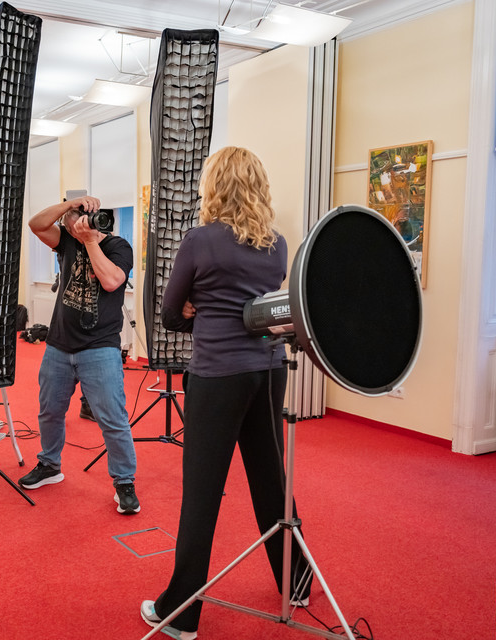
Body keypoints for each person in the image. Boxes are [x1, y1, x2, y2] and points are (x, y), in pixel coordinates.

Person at [141, 147, 312, 639]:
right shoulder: (277, 245)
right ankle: (297, 580)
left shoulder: (200, 240)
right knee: (270, 480)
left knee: (202, 492)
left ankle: (181, 614)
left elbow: (169, 313)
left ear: (214, 187)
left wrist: (194, 310)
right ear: (258, 186)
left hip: (217, 377)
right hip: (268, 371)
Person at [19, 195, 140, 515]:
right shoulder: (67, 241)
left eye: (78, 225)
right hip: (58, 345)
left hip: (100, 348)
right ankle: (49, 464)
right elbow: (35, 224)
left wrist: (90, 241)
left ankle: (124, 482)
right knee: (50, 412)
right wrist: (68, 205)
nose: (74, 230)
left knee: (112, 418)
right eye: (71, 226)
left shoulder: (117, 246)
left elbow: (112, 281)